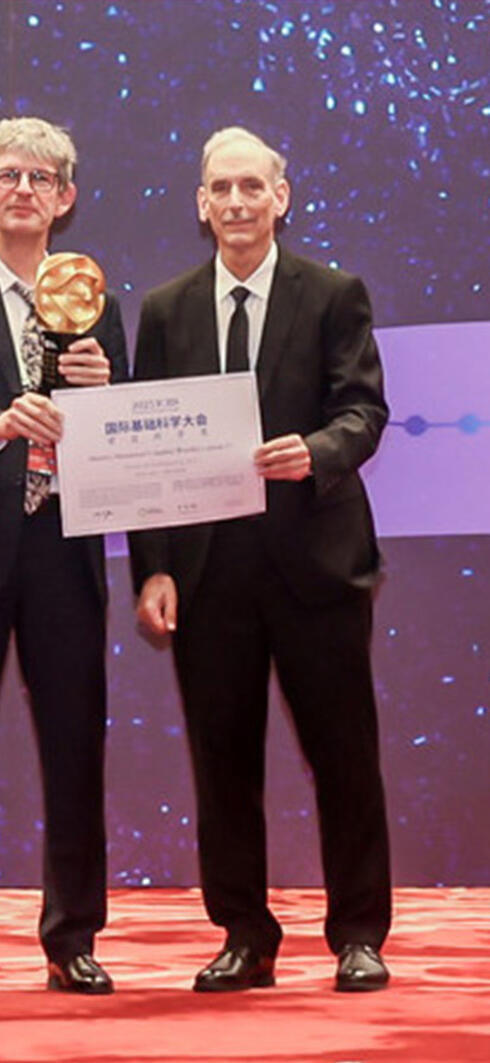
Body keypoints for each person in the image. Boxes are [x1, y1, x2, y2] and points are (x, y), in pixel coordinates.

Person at [128, 127, 391, 993]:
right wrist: (153, 568)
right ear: (200, 204)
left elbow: (364, 410)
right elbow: (145, 453)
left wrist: (316, 451)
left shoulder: (333, 293)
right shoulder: (165, 309)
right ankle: (244, 934)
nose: (236, 202)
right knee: (223, 765)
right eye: (221, 188)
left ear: (282, 196)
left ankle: (359, 934)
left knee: (344, 757)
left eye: (251, 186)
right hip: (208, 577)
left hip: (318, 566)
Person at [0, 116, 127, 993]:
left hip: (63, 548)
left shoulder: (95, 303)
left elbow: (128, 447)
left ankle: (72, 936)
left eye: (40, 178)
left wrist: (104, 396)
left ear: (66, 198)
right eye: (8, 174)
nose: (22, 189)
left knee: (75, 745)